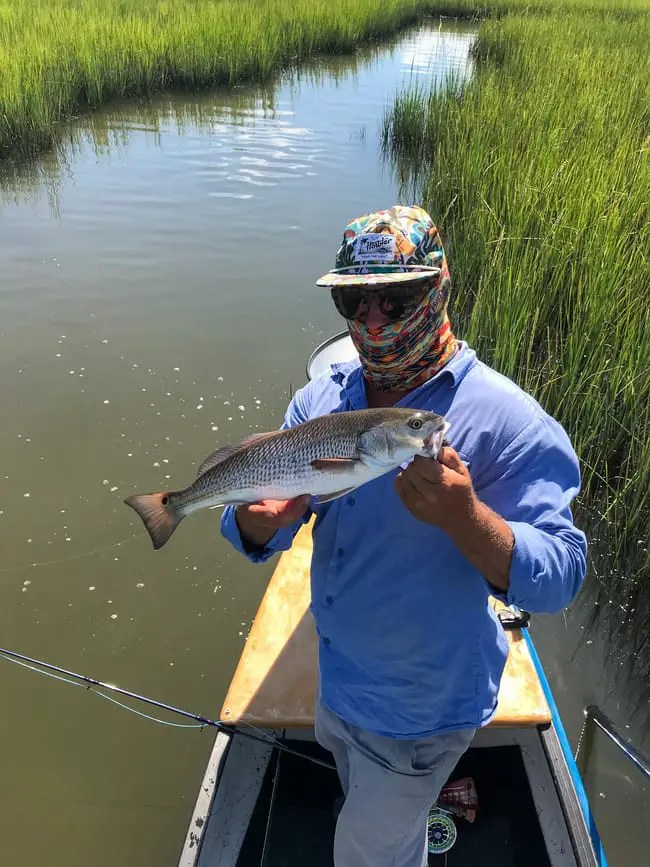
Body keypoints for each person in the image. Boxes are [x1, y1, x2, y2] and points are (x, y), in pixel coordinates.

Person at [221, 205, 587, 867]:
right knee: (374, 808)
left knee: (369, 854)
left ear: (438, 289)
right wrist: (255, 520)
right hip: (338, 685)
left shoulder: (506, 420)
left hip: (421, 709)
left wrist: (465, 517)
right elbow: (257, 511)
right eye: (353, 302)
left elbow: (562, 571)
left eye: (395, 298)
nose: (372, 322)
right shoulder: (323, 400)